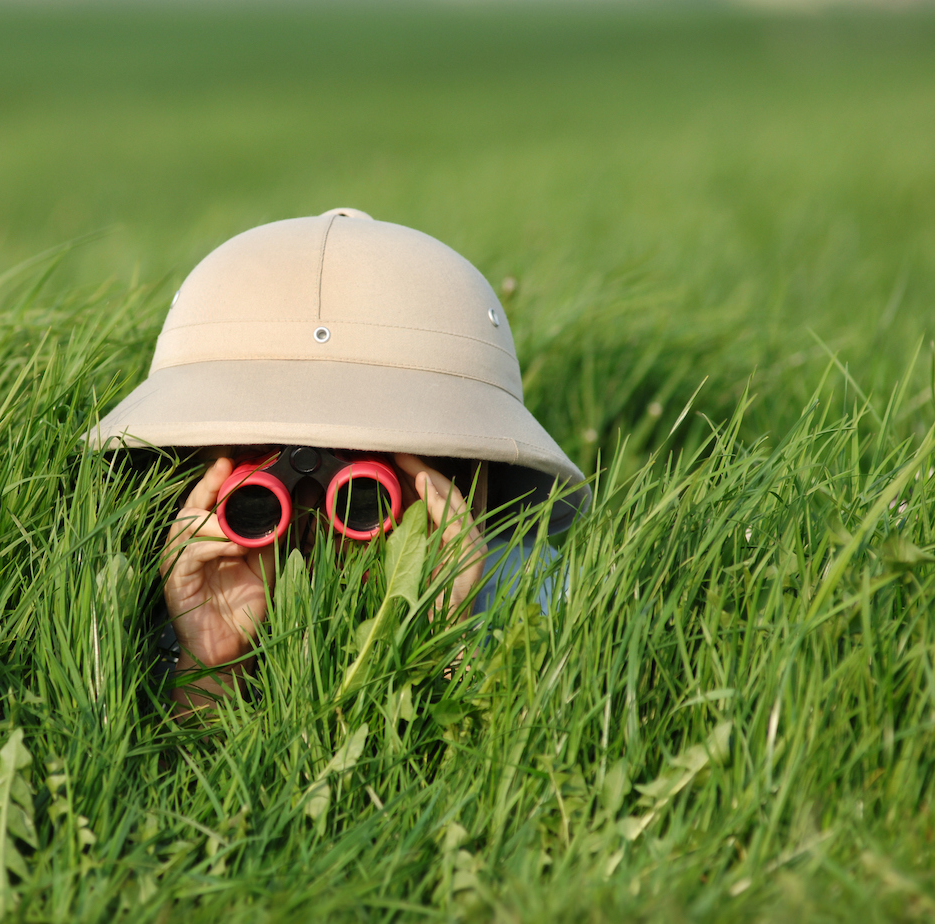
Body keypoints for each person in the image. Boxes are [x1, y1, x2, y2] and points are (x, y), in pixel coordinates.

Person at [90, 208, 589, 712]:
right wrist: (212, 659)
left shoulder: (541, 597)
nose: (311, 516)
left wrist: (440, 637)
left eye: (362, 493)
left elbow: (504, 784)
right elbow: (170, 790)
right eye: (260, 491)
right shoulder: (144, 608)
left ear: (454, 477)